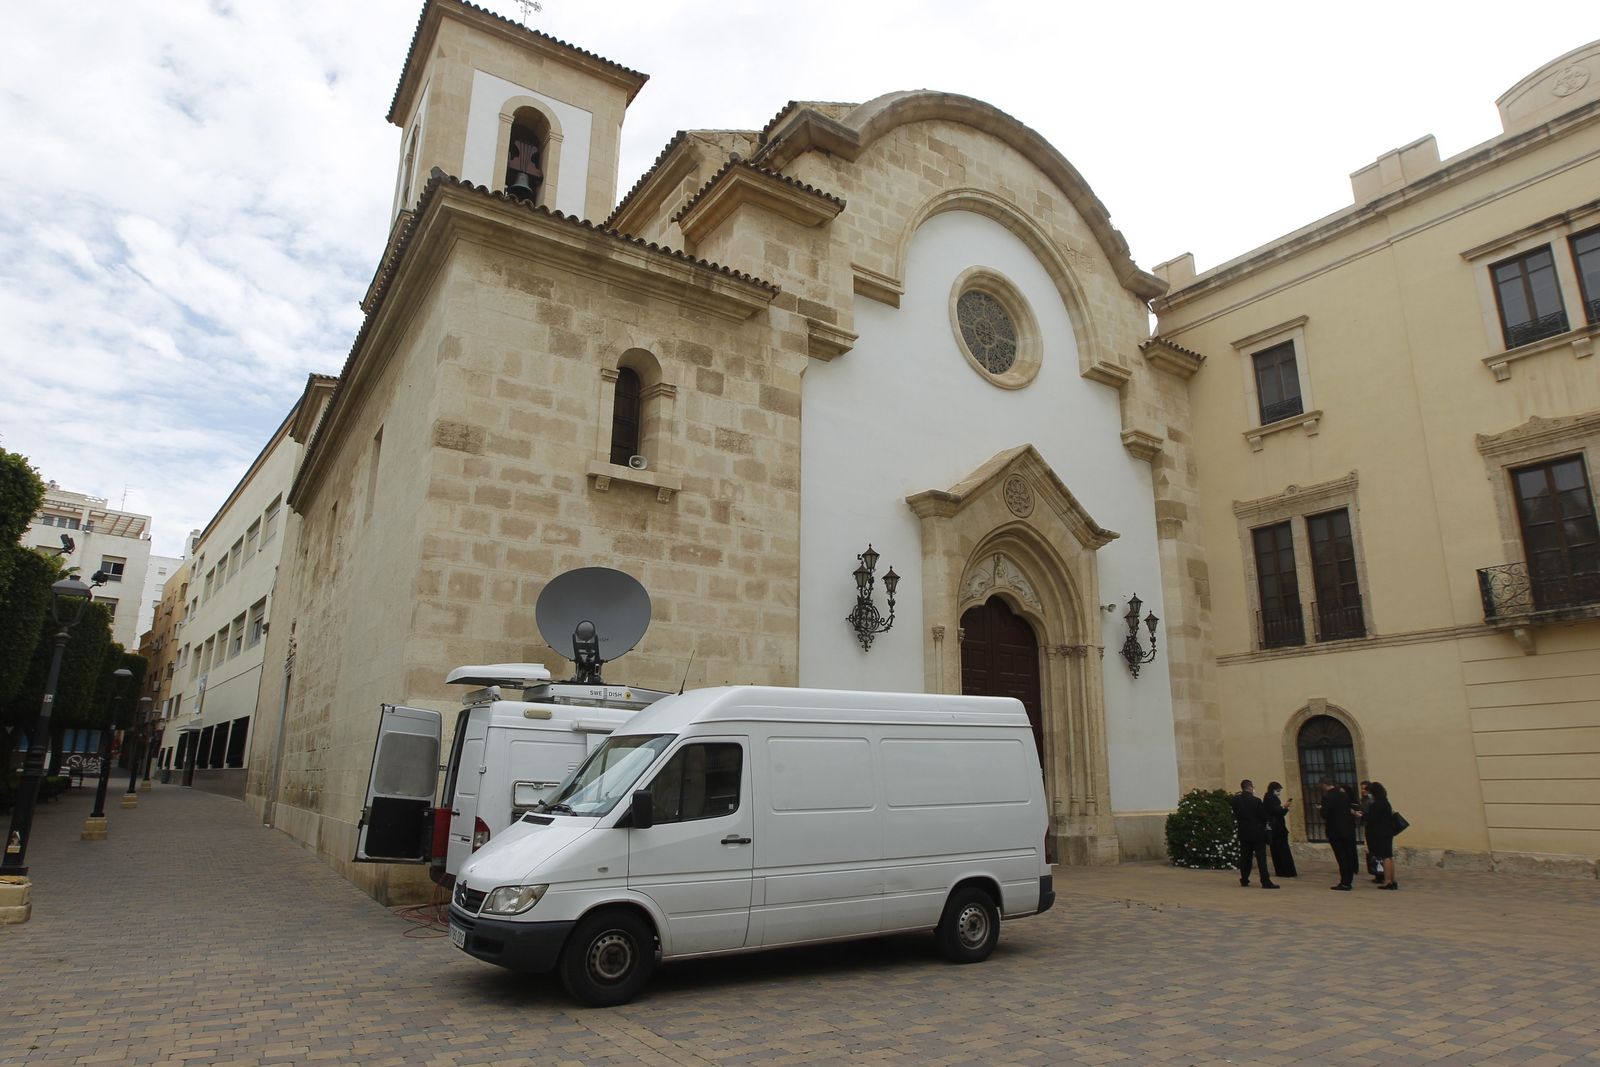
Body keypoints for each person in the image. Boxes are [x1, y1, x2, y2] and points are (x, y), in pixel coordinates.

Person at [1230, 779, 1279, 889]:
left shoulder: (1235, 800)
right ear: (1250, 787)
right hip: (1257, 832)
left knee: (1245, 857)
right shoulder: (1256, 801)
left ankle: (1244, 879)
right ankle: (1265, 881)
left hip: (1243, 831)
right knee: (1261, 858)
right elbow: (1263, 816)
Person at [1320, 779, 1358, 890]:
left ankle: (1345, 882)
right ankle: (1348, 880)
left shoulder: (1327, 797)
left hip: (1335, 831)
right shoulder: (1344, 795)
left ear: (1324, 785)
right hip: (1348, 829)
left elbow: (1324, 814)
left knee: (1341, 857)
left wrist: (1321, 809)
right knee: (1348, 855)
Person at [1366, 781, 1399, 889]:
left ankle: (1388, 881)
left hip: (1380, 833)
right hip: (1387, 832)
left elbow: (1372, 819)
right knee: (1388, 856)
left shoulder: (1376, 804)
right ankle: (1392, 880)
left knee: (1385, 857)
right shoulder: (1385, 802)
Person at [1262, 781, 1297, 878]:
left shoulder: (1270, 798)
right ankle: (1286, 871)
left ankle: (1282, 871)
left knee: (1278, 851)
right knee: (1282, 850)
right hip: (1277, 829)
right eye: (1277, 790)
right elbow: (1277, 811)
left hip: (1276, 828)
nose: (1279, 793)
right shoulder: (1270, 799)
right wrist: (1285, 807)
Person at [1359, 781, 1382, 883]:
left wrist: (1361, 815)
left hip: (1373, 828)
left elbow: (1372, 815)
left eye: (1365, 789)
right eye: (1362, 788)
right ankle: (1377, 873)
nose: (1363, 790)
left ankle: (1380, 874)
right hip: (1368, 827)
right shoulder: (1364, 800)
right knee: (1373, 851)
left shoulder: (1371, 800)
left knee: (1376, 851)